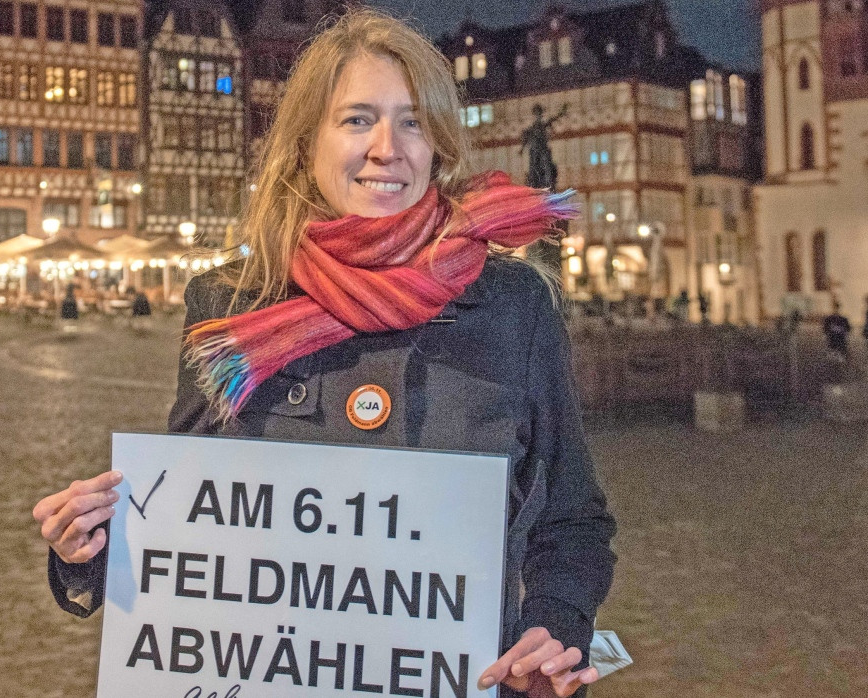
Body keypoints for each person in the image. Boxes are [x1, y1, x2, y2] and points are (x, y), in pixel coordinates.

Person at [33, 10, 616, 698]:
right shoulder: (231, 307)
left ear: (439, 146)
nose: (386, 147)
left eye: (412, 121)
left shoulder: (513, 306)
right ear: (306, 141)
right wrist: (87, 548)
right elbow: (183, 531)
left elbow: (573, 522)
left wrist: (554, 623)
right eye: (356, 119)